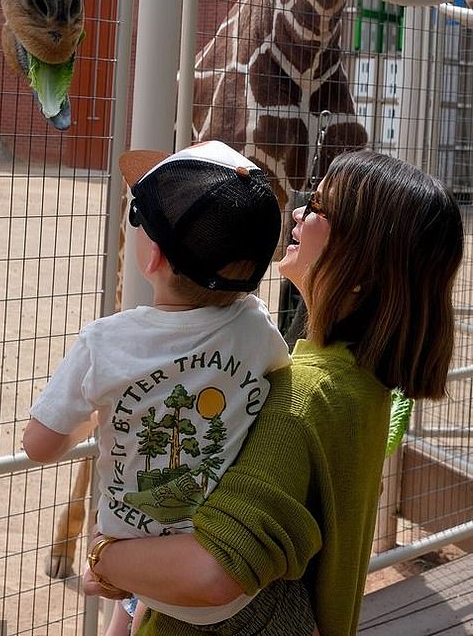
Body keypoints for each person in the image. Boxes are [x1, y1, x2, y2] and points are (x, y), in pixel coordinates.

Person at [82, 150, 464, 636]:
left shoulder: (302, 396)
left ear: (364, 261)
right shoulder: (360, 383)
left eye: (321, 207)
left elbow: (214, 573)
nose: (300, 213)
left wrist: (105, 558)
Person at [22, 140, 307, 636]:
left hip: (136, 562)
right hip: (218, 555)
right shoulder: (258, 331)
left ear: (152, 255)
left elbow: (39, 445)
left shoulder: (105, 343)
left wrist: (91, 419)